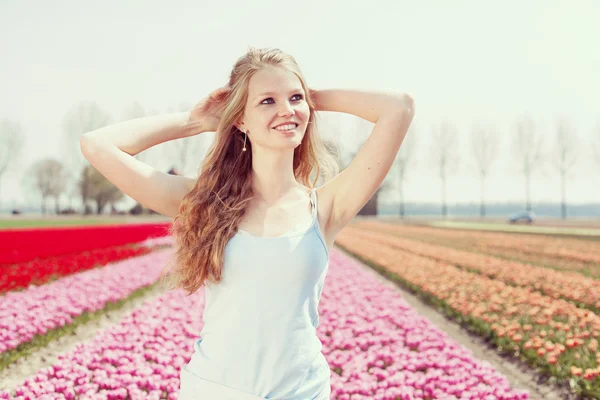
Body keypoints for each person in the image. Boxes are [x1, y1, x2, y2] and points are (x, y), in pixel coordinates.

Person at [80, 47, 415, 400]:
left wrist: (307, 98)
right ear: (240, 119)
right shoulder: (205, 202)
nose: (286, 109)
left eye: (294, 98)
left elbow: (399, 107)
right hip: (214, 391)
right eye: (266, 101)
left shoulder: (325, 207)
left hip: (301, 392)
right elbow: (97, 145)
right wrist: (196, 122)